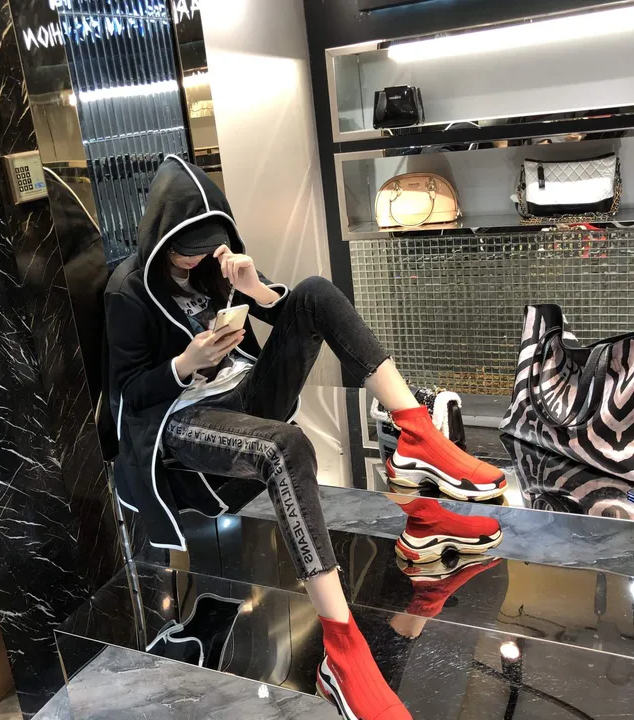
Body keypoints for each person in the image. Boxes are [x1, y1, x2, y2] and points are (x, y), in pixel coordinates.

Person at [105, 156, 507, 720]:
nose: (196, 259)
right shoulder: (127, 292)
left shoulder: (214, 267)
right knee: (288, 447)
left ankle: (416, 437)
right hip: (179, 421)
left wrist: (252, 288)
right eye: (184, 250)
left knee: (315, 292)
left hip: (238, 390)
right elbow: (128, 395)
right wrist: (185, 363)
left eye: (207, 248)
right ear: (160, 239)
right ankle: (340, 651)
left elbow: (286, 313)